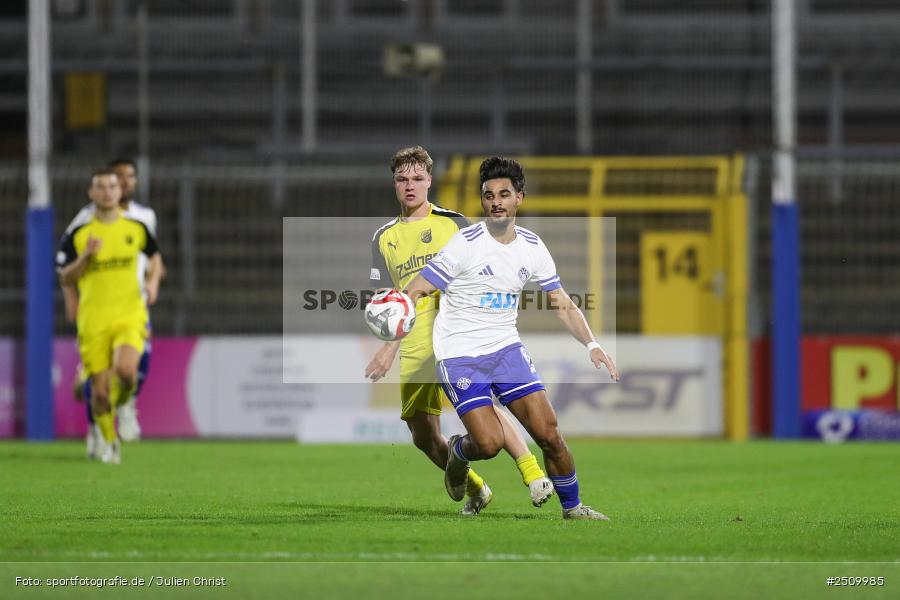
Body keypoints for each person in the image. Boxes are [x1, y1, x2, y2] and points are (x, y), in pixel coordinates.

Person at [403, 156, 619, 520]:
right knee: (487, 444)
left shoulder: (532, 247)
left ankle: (574, 508)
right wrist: (399, 304)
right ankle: (459, 453)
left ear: (519, 198)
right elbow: (421, 285)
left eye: (504, 194)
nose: (496, 202)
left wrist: (592, 344)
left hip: (506, 351)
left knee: (549, 433)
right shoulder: (465, 244)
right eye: (488, 196)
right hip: (459, 355)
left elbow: (562, 303)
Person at [365, 146, 554, 516]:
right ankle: (475, 487)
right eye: (403, 179)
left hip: (458, 333)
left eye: (418, 178)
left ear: (429, 181)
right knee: (423, 437)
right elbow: (388, 300)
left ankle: (533, 474)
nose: (410, 186)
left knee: (486, 403)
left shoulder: (455, 223)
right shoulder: (382, 238)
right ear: (394, 183)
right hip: (416, 343)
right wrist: (387, 344)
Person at [57, 168, 162, 464]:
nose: (106, 192)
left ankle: (126, 404)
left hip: (130, 313)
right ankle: (108, 439)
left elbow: (154, 257)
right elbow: (65, 277)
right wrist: (86, 258)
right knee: (100, 393)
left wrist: (152, 281)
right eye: (100, 187)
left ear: (120, 193)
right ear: (91, 194)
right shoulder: (79, 234)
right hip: (94, 320)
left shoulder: (137, 228)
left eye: (112, 186)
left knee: (127, 372)